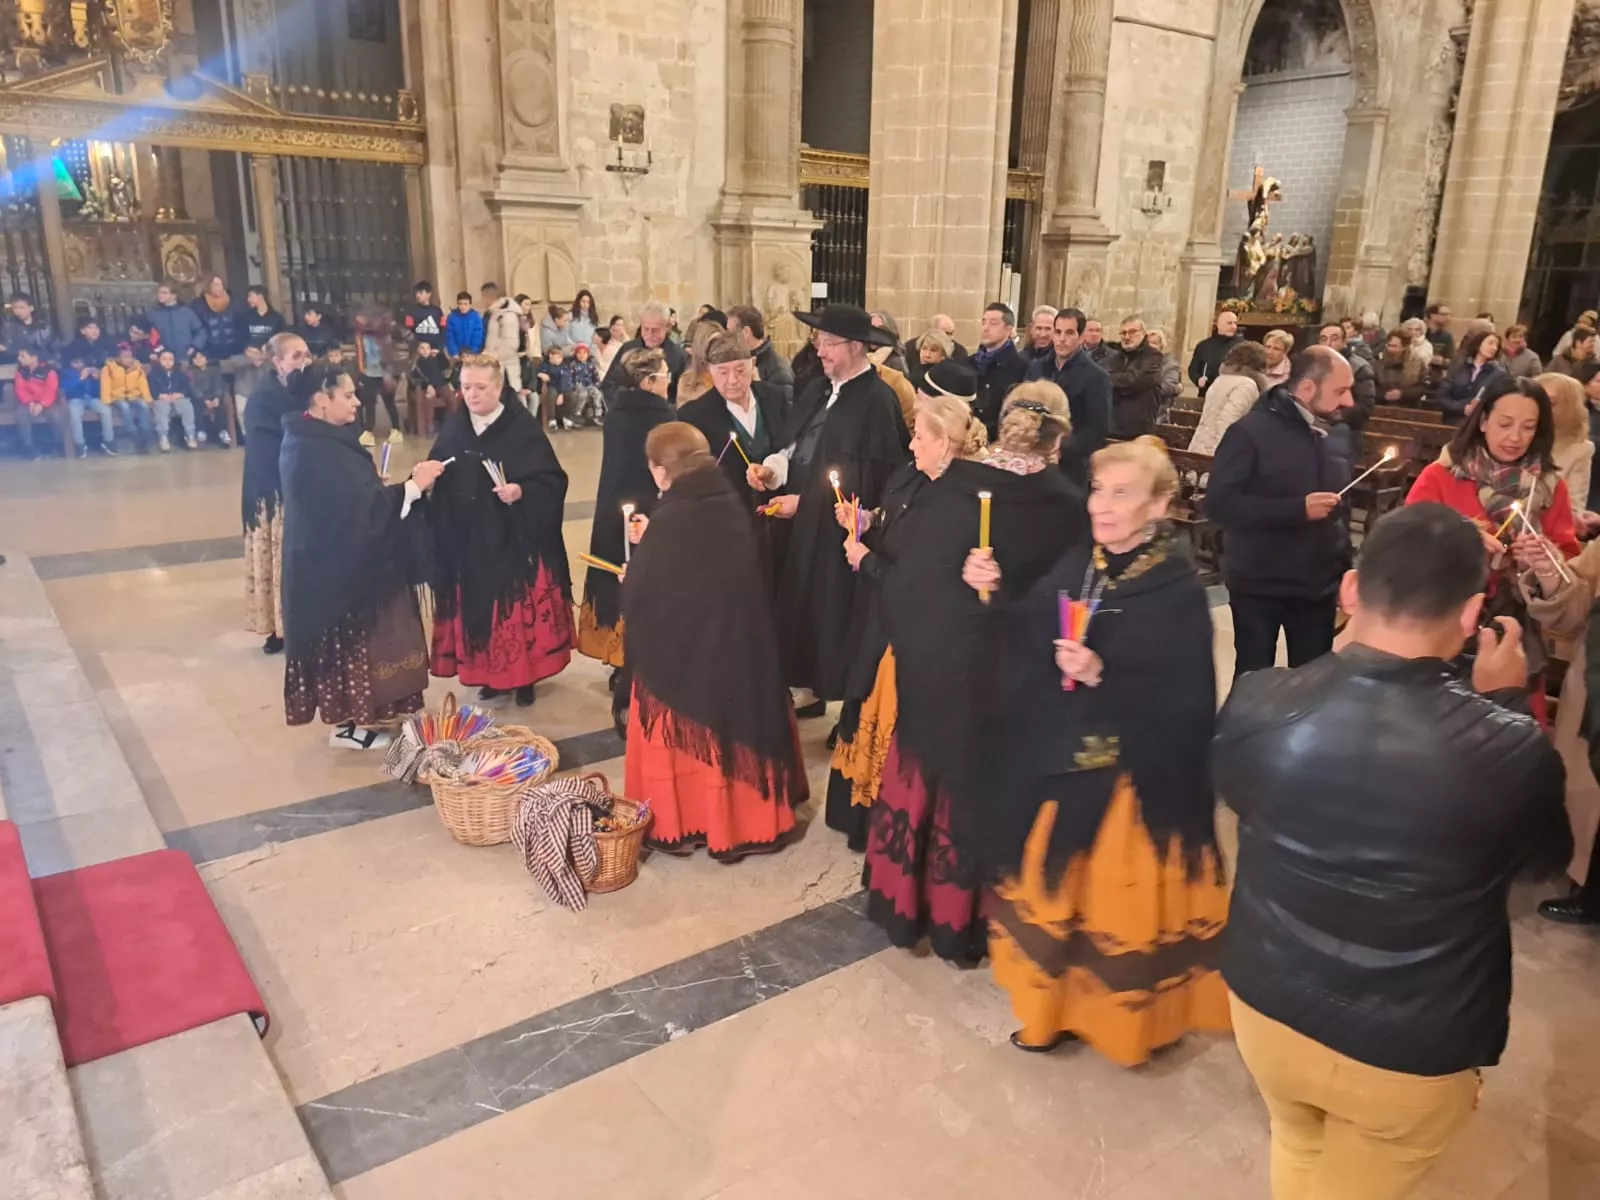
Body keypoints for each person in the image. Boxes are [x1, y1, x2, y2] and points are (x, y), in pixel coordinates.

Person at [1217, 502, 1571, 1200]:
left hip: (1265, 999)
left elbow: (1242, 799)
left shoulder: (1257, 701)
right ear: (1472, 615)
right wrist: (1502, 709)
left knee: (1297, 1141)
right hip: (1409, 1042)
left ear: (1350, 590)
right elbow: (1535, 871)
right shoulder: (1509, 749)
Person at [963, 436, 1226, 1062]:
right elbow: (1032, 622)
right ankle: (1047, 1012)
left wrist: (1107, 672)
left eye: (1123, 494)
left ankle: (1129, 1025)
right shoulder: (1087, 560)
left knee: (1116, 906)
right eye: (1098, 491)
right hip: (1062, 759)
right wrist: (992, 590)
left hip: (1132, 781)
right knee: (1051, 898)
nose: (1102, 507)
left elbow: (1190, 701)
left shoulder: (1178, 591)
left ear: (1160, 505)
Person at [864, 383, 1086, 964]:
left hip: (935, 664)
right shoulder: (1062, 503)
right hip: (1007, 679)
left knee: (931, 776)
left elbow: (908, 570)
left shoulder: (955, 483)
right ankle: (965, 918)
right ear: (1059, 437)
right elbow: (1073, 599)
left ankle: (907, 902)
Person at [622, 422, 809, 861]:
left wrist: (633, 577)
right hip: (742, 655)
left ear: (661, 472)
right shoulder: (725, 501)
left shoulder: (672, 517)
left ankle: (689, 819)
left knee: (683, 739)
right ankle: (749, 820)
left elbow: (646, 596)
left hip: (685, 668)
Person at [824, 362, 987, 850]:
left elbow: (923, 582)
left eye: (919, 436)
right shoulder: (914, 475)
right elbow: (894, 521)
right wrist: (867, 521)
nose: (910, 443)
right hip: (881, 618)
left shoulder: (954, 501)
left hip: (911, 639)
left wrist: (865, 557)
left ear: (946, 444)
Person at [748, 304, 910, 716]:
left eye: (828, 343)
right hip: (799, 525)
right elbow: (798, 445)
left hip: (840, 537)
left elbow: (876, 481)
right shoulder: (819, 387)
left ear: (857, 347)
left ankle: (849, 706)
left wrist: (806, 505)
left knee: (834, 617)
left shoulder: (877, 401)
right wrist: (773, 470)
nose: (819, 351)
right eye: (818, 341)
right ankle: (807, 687)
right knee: (798, 605)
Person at [281, 367, 441, 750]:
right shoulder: (313, 447)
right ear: (321, 399)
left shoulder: (318, 436)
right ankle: (346, 725)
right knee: (349, 644)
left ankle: (366, 715)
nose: (356, 401)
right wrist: (413, 488)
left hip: (336, 561)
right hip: (333, 571)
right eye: (348, 394)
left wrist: (374, 489)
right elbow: (356, 514)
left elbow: (351, 501)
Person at [1406, 376, 1581, 723]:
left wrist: (1545, 564)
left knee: (1502, 739)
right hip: (1440, 629)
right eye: (1504, 424)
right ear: (1483, 421)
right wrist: (1459, 537)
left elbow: (1567, 573)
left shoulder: (1549, 488)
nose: (1515, 437)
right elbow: (1402, 545)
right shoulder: (1441, 475)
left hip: (1514, 634)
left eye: (1528, 427)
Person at [423, 353, 572, 708]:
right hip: (470, 541)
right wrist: (429, 482)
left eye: (480, 387)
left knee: (515, 614)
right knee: (480, 610)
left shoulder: (521, 427)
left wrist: (522, 491)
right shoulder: (456, 426)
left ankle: (525, 679)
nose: (471, 395)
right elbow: (439, 466)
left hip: (513, 542)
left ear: (500, 388)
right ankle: (488, 675)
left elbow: (552, 479)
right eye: (465, 387)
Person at [1208, 346, 1355, 678]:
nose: (1349, 402)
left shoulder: (1338, 434)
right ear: (1307, 389)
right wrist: (1296, 510)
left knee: (1311, 683)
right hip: (1260, 584)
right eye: (1341, 391)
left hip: (1317, 585)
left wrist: (1345, 568)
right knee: (1254, 681)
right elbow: (1220, 503)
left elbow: (1341, 510)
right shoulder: (1250, 432)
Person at [578, 348, 675, 724]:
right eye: (664, 375)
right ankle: (640, 659)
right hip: (647, 514)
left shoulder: (616, 414)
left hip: (612, 510)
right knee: (643, 584)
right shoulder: (664, 418)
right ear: (649, 382)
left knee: (615, 579)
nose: (669, 380)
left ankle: (617, 659)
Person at [243, 332, 312, 656]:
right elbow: (274, 441)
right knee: (276, 559)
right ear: (277, 361)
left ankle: (304, 623)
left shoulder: (306, 391)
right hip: (272, 491)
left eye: (306, 355)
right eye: (296, 356)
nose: (304, 361)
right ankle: (277, 629)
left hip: (303, 486)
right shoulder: (262, 398)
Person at [678, 331, 791, 515]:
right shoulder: (693, 416)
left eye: (740, 370)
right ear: (709, 370)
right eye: (723, 372)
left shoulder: (779, 399)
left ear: (753, 363)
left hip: (781, 516)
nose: (732, 380)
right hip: (728, 521)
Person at [1024, 307, 1112, 487]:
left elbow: (1098, 428)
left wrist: (1059, 448)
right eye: (1058, 332)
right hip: (1030, 458)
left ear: (1080, 337)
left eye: (1069, 333)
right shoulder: (1036, 368)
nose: (1062, 339)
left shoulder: (1096, 377)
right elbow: (1022, 405)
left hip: (1069, 467)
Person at [1187, 340, 1268, 456]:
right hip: (1217, 452)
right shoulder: (1246, 385)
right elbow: (1228, 423)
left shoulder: (1220, 380)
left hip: (1199, 446)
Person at [602, 300, 687, 404]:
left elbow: (683, 394)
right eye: (646, 329)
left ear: (667, 327)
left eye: (655, 330)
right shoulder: (628, 349)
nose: (650, 335)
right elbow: (609, 384)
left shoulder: (678, 356)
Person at [1537, 373, 1596, 525]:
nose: (1536, 406)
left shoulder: (1581, 450)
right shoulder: (1514, 436)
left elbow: (1574, 509)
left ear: (1568, 408)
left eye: (1548, 402)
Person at [1103, 315, 1167, 439]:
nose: (1127, 337)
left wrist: (1113, 381)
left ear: (1143, 333)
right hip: (1111, 425)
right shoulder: (1114, 357)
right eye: (1123, 333)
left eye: (1132, 332)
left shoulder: (1153, 356)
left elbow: (1136, 380)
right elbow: (1103, 378)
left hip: (1138, 428)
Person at [972, 302, 1029, 436]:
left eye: (993, 323)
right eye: (984, 322)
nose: (986, 328)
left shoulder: (1021, 367)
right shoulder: (970, 362)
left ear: (1008, 330)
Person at [352, 306, 403, 447]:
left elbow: (390, 355)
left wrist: (390, 375)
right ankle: (368, 432)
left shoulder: (385, 332)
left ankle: (396, 430)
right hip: (370, 372)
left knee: (389, 402)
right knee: (369, 402)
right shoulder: (360, 335)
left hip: (387, 372)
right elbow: (361, 355)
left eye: (361, 319)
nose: (358, 322)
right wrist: (361, 372)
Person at [62, 318, 113, 457]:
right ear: (83, 330)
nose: (95, 331)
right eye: (90, 328)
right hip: (77, 395)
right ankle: (80, 445)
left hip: (95, 393)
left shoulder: (104, 345)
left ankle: (109, 442)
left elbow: (110, 367)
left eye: (97, 328)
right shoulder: (74, 347)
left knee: (105, 410)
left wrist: (99, 373)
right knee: (74, 412)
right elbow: (67, 372)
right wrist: (81, 374)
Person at [1316, 322, 1376, 432]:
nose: (1328, 343)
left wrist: (1335, 415)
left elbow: (1365, 407)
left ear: (1344, 342)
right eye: (1323, 339)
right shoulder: (1313, 364)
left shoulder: (1359, 367)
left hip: (1345, 427)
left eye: (1334, 339)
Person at [726, 304, 795, 402]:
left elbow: (784, 411)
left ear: (746, 331)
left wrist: (759, 387)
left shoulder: (778, 371)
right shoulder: (741, 359)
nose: (727, 338)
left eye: (730, 332)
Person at [1436, 328, 1507, 421]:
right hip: (1453, 418)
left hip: (1479, 421)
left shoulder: (1498, 373)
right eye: (1490, 343)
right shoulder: (1459, 367)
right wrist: (1461, 407)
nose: (1494, 348)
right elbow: (1442, 394)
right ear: (1478, 345)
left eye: (1496, 345)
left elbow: (1498, 401)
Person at [100, 341, 154, 452]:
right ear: (118, 358)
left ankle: (144, 433)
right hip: (117, 396)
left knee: (143, 406)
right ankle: (133, 433)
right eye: (125, 357)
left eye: (130, 357)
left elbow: (143, 384)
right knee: (125, 408)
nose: (129, 359)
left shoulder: (137, 368)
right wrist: (106, 400)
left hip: (134, 395)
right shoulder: (109, 368)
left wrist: (148, 399)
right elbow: (105, 384)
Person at [12, 347, 65, 459]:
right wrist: (30, 403)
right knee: (20, 415)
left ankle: (58, 444)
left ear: (34, 358)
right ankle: (28, 447)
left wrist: (42, 404)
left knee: (56, 416)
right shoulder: (21, 371)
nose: (19, 358)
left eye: (23, 356)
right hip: (28, 403)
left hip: (46, 402)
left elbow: (51, 390)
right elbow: (20, 389)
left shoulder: (49, 371)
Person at [148, 346, 198, 451]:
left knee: (186, 404)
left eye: (170, 359)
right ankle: (163, 437)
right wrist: (159, 395)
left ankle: (190, 435)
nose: (167, 362)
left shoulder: (179, 374)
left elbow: (186, 388)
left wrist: (180, 394)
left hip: (177, 399)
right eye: (164, 359)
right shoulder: (153, 374)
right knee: (161, 407)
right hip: (162, 399)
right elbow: (151, 388)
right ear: (159, 360)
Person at [476, 284, 522, 395]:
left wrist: (492, 354)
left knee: (511, 393)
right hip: (495, 359)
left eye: (483, 296)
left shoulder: (507, 314)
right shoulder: (492, 313)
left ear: (489, 297)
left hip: (503, 361)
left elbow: (510, 342)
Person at [1187, 310, 1243, 398]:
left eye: (1235, 323)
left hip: (1232, 394)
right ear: (1218, 325)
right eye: (1229, 323)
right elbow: (1193, 369)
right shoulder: (1204, 345)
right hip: (1207, 393)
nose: (1233, 326)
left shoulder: (1243, 346)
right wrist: (1198, 379)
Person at [191, 276, 244, 365]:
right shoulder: (199, 305)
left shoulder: (235, 302)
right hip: (210, 354)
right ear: (208, 286)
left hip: (234, 351)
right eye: (215, 285)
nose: (219, 287)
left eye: (220, 284)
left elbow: (241, 326)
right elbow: (198, 330)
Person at [148, 282, 207, 360]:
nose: (160, 295)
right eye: (159, 292)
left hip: (185, 357)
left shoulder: (186, 312)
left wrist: (194, 347)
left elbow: (200, 331)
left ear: (174, 295)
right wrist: (155, 352)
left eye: (164, 293)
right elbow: (150, 335)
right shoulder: (154, 314)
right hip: (164, 360)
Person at [187, 348, 230, 448]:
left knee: (221, 405)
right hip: (199, 397)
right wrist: (204, 399)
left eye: (201, 357)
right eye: (195, 358)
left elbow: (218, 384)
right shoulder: (190, 372)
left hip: (213, 395)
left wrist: (217, 397)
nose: (198, 360)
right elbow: (193, 387)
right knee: (196, 405)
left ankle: (222, 431)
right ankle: (201, 430)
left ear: (206, 359)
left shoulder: (214, 370)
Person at [1376, 330, 1427, 407]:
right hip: (1383, 406)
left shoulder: (1417, 363)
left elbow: (1422, 387)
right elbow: (1372, 386)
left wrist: (1402, 394)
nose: (1390, 349)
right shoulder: (1379, 363)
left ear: (1404, 347)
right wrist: (1384, 394)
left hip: (1409, 408)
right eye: (1389, 345)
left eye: (1394, 346)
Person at [1146, 328, 1182, 418]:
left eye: (1154, 343)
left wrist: (1142, 387)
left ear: (1161, 346)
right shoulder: (1140, 361)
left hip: (1159, 412)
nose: (1150, 346)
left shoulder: (1170, 364)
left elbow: (1169, 387)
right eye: (1148, 343)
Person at [566, 342, 604, 425]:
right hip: (578, 385)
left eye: (584, 353)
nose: (581, 355)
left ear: (588, 354)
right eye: (579, 353)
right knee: (583, 394)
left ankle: (598, 415)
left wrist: (597, 384)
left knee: (597, 394)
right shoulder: (573, 365)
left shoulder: (591, 365)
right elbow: (570, 377)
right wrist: (572, 386)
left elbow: (595, 377)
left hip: (589, 385)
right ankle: (577, 414)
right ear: (576, 354)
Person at [403, 281, 446, 352]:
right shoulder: (410, 312)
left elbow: (443, 329)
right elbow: (408, 330)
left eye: (421, 292)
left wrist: (439, 347)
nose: (418, 295)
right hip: (418, 350)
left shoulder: (438, 311)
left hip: (435, 350)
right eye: (417, 293)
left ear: (428, 294)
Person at [444, 291, 485, 359]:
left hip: (472, 354)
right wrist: (454, 352)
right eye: (460, 304)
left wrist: (473, 352)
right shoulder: (452, 317)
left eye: (466, 304)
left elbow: (478, 335)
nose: (463, 306)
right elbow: (449, 336)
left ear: (470, 305)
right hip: (457, 354)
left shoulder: (475, 317)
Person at [1424, 301, 1455, 368]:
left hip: (1435, 374)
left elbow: (1451, 360)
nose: (1448, 318)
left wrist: (1442, 361)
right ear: (1432, 315)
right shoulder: (1419, 331)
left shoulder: (1447, 336)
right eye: (1444, 314)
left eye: (1449, 315)